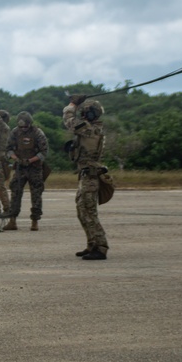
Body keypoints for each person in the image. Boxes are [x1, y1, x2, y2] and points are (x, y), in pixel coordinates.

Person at [63, 96, 109, 260]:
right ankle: (92, 244)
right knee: (82, 211)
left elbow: (68, 119)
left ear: (90, 115)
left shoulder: (89, 129)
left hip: (90, 176)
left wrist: (73, 104)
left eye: (85, 112)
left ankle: (101, 246)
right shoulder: (91, 128)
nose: (82, 114)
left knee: (89, 213)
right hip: (85, 174)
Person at [4, 111, 49, 231]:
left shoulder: (38, 133)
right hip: (20, 167)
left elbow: (44, 152)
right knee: (15, 192)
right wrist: (16, 159)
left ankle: (35, 221)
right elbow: (8, 149)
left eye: (25, 126)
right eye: (21, 127)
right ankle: (12, 221)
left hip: (35, 168)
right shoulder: (14, 132)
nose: (23, 129)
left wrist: (31, 160)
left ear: (30, 124)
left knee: (36, 194)